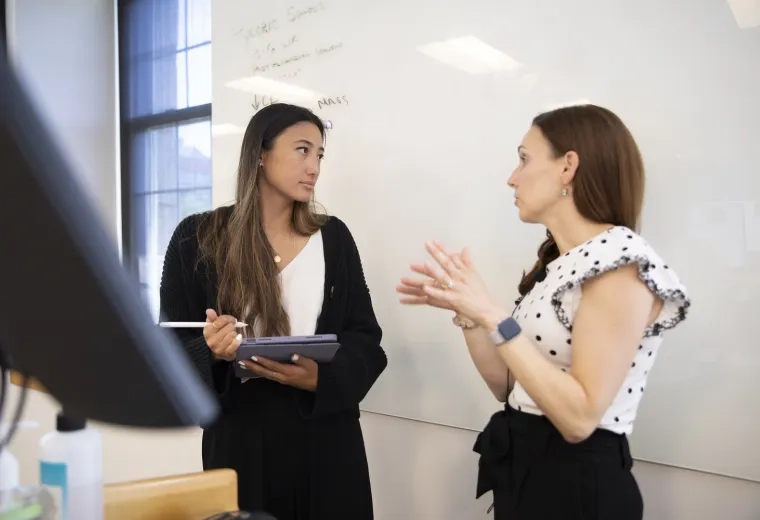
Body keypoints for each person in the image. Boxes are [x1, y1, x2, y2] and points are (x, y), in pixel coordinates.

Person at [397, 104, 690, 519]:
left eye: (523, 158)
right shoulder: (561, 263)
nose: (511, 177)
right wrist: (469, 314)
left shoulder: (619, 262)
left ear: (568, 166)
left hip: (578, 486)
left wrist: (495, 316)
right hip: (530, 471)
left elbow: (579, 418)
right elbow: (507, 385)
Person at [160, 103, 387, 519]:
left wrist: (322, 377)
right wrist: (210, 350)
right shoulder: (197, 238)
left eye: (319, 154)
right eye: (302, 150)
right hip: (241, 444)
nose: (314, 166)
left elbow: (366, 339)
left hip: (326, 443)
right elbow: (167, 348)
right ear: (260, 154)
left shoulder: (333, 238)